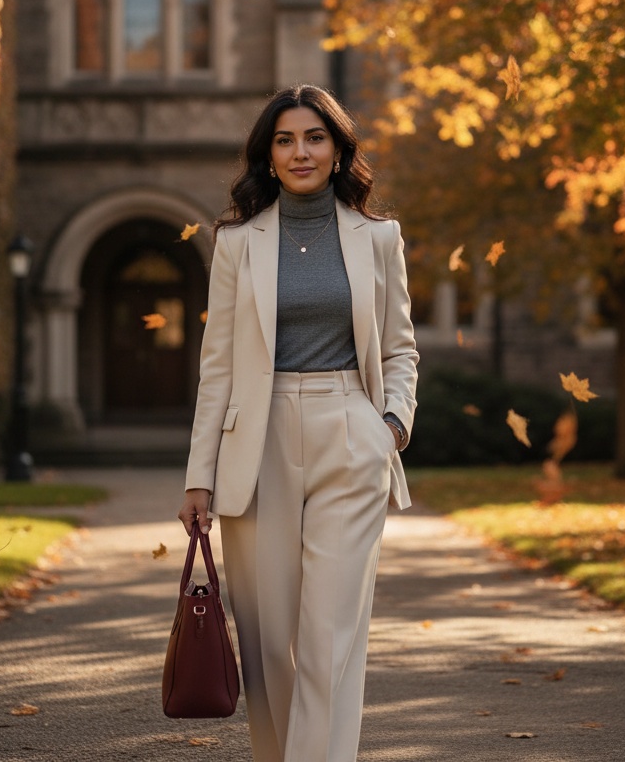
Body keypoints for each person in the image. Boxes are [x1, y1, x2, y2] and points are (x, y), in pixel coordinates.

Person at [178, 84, 418, 762]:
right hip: (258, 439)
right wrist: (200, 476)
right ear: (268, 155)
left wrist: (391, 425)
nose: (300, 151)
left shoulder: (379, 239)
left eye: (314, 138)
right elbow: (217, 367)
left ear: (339, 151)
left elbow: (400, 347)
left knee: (329, 636)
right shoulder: (235, 243)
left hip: (353, 428)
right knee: (268, 639)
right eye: (285, 140)